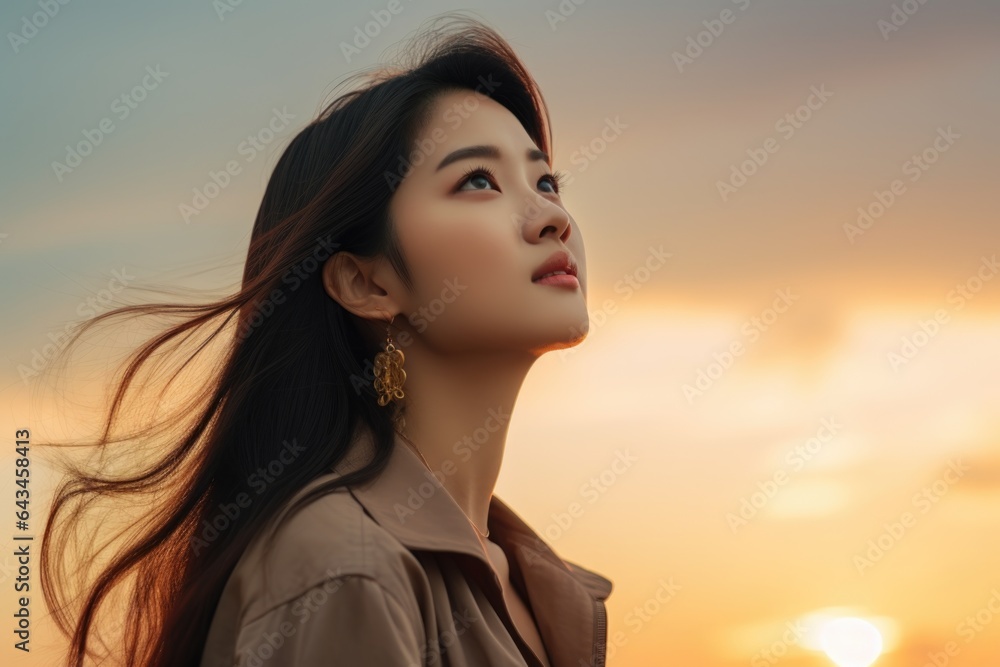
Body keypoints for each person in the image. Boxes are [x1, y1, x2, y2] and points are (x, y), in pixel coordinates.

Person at [39, 11, 613, 667]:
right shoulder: (344, 569)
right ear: (364, 282)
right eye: (477, 181)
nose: (552, 218)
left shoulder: (525, 580)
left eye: (546, 181)